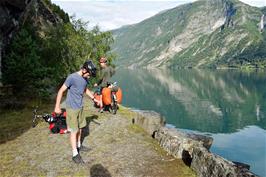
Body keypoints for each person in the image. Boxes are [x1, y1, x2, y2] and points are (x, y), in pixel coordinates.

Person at [54, 60, 98, 164]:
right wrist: (57, 106)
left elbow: (85, 89)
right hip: (72, 108)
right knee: (74, 130)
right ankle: (75, 154)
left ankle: (79, 146)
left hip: (80, 107)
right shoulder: (72, 78)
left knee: (81, 127)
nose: (89, 77)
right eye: (88, 74)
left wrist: (93, 98)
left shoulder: (85, 78)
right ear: (83, 70)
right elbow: (61, 91)